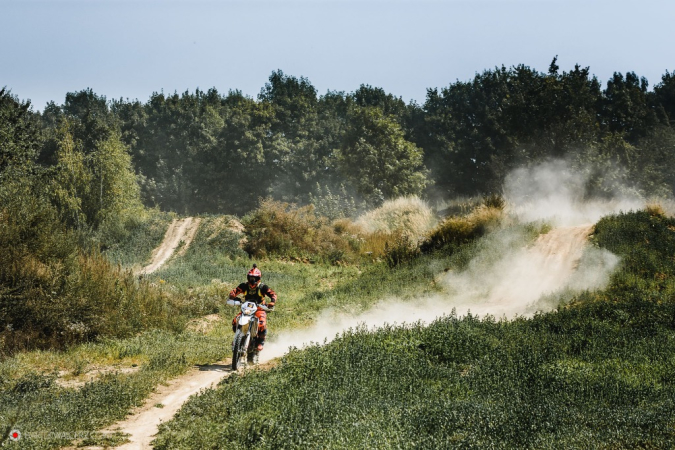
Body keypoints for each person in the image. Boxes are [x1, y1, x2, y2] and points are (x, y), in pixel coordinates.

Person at [228, 264, 277, 351]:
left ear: (258, 278)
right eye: (251, 278)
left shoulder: (263, 287)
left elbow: (273, 294)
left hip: (259, 308)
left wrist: (272, 302)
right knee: (235, 320)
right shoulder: (244, 285)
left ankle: (260, 342)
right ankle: (238, 338)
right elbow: (236, 291)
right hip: (246, 308)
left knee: (262, 323)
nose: (252, 280)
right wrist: (232, 294)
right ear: (248, 277)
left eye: (254, 278)